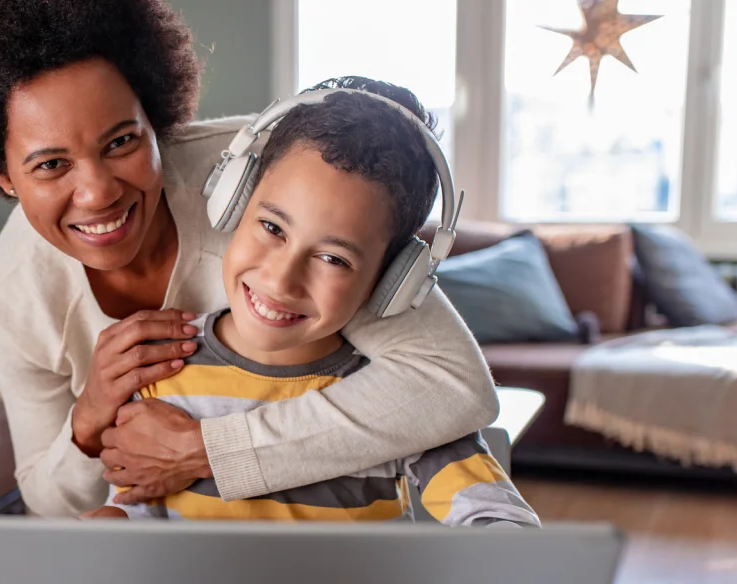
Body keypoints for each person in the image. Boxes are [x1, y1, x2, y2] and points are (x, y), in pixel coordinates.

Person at [0, 0, 499, 518]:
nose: (99, 193)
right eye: (50, 165)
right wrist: (87, 421)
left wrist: (207, 451)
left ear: (158, 123)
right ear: (3, 176)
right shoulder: (17, 292)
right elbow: (51, 503)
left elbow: (451, 384)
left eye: (122, 142)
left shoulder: (274, 189)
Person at [83, 78, 539, 527]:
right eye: (273, 228)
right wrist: (112, 522)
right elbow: (137, 504)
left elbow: (498, 519)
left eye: (332, 258)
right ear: (234, 204)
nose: (282, 279)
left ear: (390, 282)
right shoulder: (163, 372)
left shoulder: (400, 407)